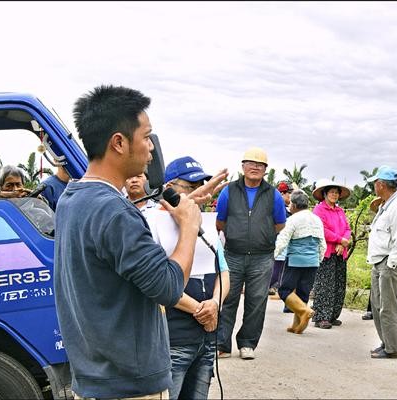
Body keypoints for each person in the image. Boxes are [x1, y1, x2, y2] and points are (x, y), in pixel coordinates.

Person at [53, 84, 227, 399]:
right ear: (118, 142)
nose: (151, 149)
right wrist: (188, 227)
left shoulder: (73, 199)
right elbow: (169, 286)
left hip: (96, 377)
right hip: (129, 386)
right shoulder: (115, 212)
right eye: (147, 137)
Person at [151, 156, 229, 400]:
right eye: (192, 188)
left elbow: (224, 272)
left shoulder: (205, 226)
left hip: (206, 338)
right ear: (170, 188)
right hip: (174, 339)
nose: (201, 195)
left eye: (202, 187)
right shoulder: (152, 224)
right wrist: (200, 310)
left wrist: (215, 303)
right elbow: (159, 283)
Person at [215, 147, 286, 360]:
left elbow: (279, 224)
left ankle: (247, 343)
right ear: (243, 166)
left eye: (260, 165)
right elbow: (220, 221)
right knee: (227, 299)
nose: (255, 167)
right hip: (233, 254)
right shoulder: (229, 191)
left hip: (262, 256)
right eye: (251, 163)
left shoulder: (273, 194)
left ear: (265, 170)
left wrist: (260, 235)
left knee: (256, 301)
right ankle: (222, 344)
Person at [366, 166, 397, 359]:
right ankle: (386, 342)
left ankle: (392, 348)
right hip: (379, 261)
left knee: (389, 306)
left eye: (375, 183)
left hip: (389, 262)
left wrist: (391, 265)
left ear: (381, 185)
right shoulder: (387, 205)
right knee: (377, 305)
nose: (374, 187)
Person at [274, 190, 326, 334]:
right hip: (313, 261)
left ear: (295, 205)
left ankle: (304, 311)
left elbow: (282, 240)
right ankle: (297, 326)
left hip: (295, 260)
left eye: (290, 203)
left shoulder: (292, 219)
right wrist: (318, 259)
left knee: (284, 290)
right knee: (303, 293)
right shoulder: (317, 219)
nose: (289, 206)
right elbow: (323, 243)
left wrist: (273, 255)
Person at [311, 178, 352, 329]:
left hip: (341, 252)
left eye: (336, 192)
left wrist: (343, 241)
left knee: (338, 284)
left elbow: (347, 228)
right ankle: (321, 316)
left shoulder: (340, 210)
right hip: (327, 252)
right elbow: (322, 230)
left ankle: (333, 315)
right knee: (325, 285)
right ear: (325, 194)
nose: (334, 195)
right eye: (332, 192)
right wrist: (339, 240)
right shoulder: (319, 210)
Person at [269, 181, 293, 296]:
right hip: (278, 243)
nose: (290, 196)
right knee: (276, 271)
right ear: (282, 194)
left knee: (279, 271)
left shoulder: (286, 209)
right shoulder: (279, 208)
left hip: (283, 244)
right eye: (289, 193)